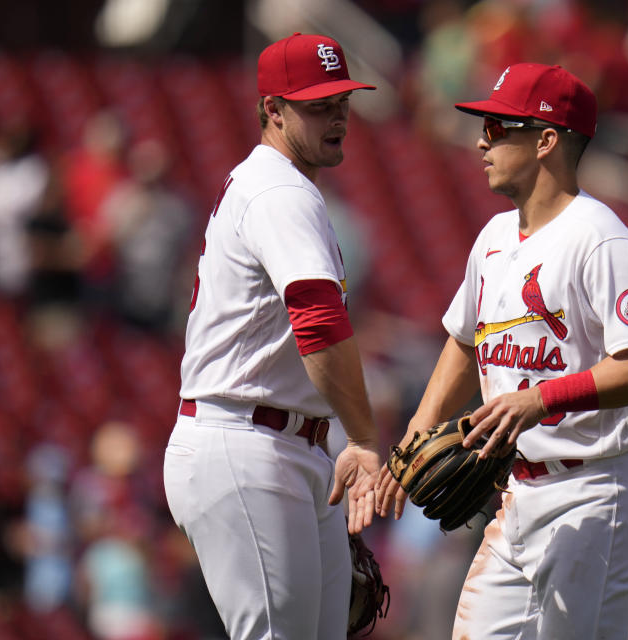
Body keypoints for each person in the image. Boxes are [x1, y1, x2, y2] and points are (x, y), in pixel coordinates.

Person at [376, 63, 628, 639]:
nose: (481, 142)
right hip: (518, 491)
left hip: (596, 491)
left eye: (498, 128)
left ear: (546, 140)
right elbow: (467, 341)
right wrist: (416, 435)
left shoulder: (600, 238)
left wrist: (542, 399)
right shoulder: (493, 237)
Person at [163, 32, 381, 640]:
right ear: (272, 110)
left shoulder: (281, 186)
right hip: (245, 440)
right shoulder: (280, 190)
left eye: (342, 101)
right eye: (317, 105)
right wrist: (364, 437)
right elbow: (318, 319)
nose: (336, 116)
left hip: (288, 443)